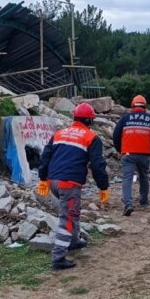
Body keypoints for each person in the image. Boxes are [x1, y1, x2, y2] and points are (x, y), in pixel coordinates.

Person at [37, 103, 109, 270]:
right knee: (67, 218)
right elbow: (98, 165)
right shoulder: (91, 137)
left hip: (53, 180)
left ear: (74, 117)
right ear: (90, 120)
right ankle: (58, 257)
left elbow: (45, 156)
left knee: (72, 212)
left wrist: (42, 178)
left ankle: (74, 241)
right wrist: (103, 187)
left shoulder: (59, 133)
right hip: (69, 183)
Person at [112, 95, 150, 216]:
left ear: (132, 105)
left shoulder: (125, 118)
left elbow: (116, 135)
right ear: (145, 106)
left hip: (128, 154)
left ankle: (128, 204)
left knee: (127, 179)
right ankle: (144, 202)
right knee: (144, 177)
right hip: (144, 154)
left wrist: (119, 149)